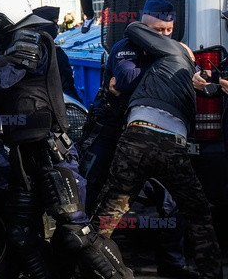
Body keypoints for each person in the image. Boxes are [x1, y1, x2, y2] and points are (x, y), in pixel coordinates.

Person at [0, 0, 134, 279]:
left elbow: (0, 78)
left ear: (7, 17)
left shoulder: (30, 38)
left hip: (50, 149)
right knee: (21, 233)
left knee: (77, 230)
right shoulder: (12, 42)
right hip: (24, 153)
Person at [78, 0, 199, 278]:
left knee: (172, 202)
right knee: (93, 198)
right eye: (158, 31)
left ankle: (173, 266)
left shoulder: (172, 51)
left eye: (169, 31)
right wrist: (171, 63)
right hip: (112, 132)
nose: (165, 36)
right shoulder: (126, 47)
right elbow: (126, 80)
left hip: (152, 137)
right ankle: (87, 264)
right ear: (143, 23)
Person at [91, 21, 223, 279]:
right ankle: (210, 274)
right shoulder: (180, 63)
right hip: (171, 146)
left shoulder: (162, 65)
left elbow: (131, 29)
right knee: (198, 215)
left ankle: (88, 268)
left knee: (108, 215)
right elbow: (132, 28)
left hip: (135, 137)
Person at [33, 6, 83, 103]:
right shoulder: (55, 53)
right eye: (54, 22)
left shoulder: (22, 48)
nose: (56, 26)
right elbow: (67, 88)